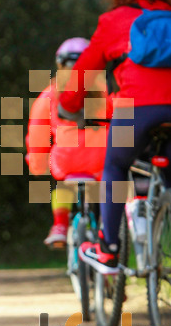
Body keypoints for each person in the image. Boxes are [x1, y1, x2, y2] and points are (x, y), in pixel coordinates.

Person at [59, 0, 171, 287]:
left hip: (135, 110)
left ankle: (109, 251)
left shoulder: (112, 21)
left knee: (115, 167)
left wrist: (70, 104)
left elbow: (84, 72)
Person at [26, 38, 111, 247]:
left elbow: (38, 134)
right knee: (104, 188)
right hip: (101, 159)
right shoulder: (105, 91)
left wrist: (38, 167)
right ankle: (105, 229)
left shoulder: (49, 94)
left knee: (63, 183)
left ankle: (60, 224)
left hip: (66, 161)